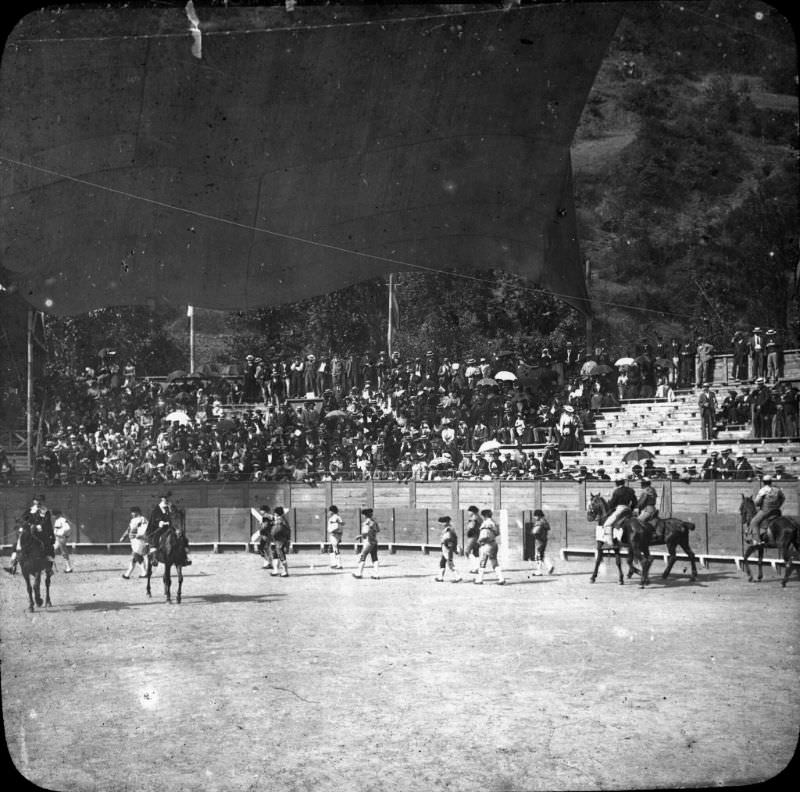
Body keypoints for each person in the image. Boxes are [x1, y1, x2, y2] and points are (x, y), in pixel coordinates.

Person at [146, 492, 190, 567]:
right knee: (156, 536)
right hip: (161, 527)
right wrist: (160, 522)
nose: (165, 499)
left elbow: (176, 515)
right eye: (164, 498)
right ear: (161, 499)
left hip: (171, 527)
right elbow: (154, 519)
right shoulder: (157, 508)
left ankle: (184, 557)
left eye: (166, 497)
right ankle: (154, 557)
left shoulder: (171, 506)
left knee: (182, 537)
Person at [748, 475, 785, 546]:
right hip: (776, 511)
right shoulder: (777, 490)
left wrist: (760, 504)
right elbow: (783, 498)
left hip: (765, 511)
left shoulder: (763, 490)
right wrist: (778, 505)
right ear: (771, 481)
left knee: (754, 522)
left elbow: (757, 503)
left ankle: (757, 541)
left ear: (763, 482)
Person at [601, 477, 637, 542]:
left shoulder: (617, 491)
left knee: (607, 524)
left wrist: (610, 508)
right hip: (628, 510)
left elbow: (612, 504)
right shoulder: (630, 490)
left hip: (620, 509)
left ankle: (609, 543)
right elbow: (635, 502)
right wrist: (631, 509)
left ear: (617, 483)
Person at [474, 509, 505, 585]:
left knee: (482, 562)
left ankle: (479, 579)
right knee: (494, 561)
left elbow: (485, 535)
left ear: (485, 516)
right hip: (493, 543)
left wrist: (479, 541)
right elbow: (497, 533)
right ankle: (501, 579)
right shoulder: (494, 522)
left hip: (486, 544)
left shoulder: (486, 523)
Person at [120, 506, 150, 579]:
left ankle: (144, 572)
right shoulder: (133, 520)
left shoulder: (142, 519)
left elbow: (146, 528)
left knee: (136, 555)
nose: (131, 513)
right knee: (135, 557)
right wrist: (124, 536)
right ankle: (127, 574)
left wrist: (140, 535)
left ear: (137, 512)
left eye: (133, 512)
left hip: (139, 540)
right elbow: (129, 529)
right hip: (133, 541)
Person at [353, 508, 380, 579]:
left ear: (365, 515)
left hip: (368, 542)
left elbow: (366, 532)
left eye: (364, 515)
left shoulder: (367, 522)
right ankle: (376, 574)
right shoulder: (374, 522)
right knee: (374, 557)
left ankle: (359, 573)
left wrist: (360, 536)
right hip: (374, 541)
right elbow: (378, 530)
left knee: (362, 555)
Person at [434, 516, 461, 582]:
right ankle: (440, 577)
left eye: (441, 523)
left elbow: (449, 540)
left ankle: (458, 577)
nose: (440, 524)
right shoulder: (449, 529)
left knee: (450, 563)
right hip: (446, 547)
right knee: (442, 562)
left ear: (445, 523)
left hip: (447, 548)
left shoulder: (448, 530)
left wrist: (451, 549)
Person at [529, 509, 554, 576]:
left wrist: (533, 532)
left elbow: (535, 531)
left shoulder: (539, 522)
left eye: (535, 516)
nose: (534, 517)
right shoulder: (545, 522)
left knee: (538, 556)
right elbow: (548, 528)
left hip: (539, 541)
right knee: (542, 555)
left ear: (538, 516)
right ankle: (549, 566)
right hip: (544, 540)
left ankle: (539, 571)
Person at [269, 506, 291, 577]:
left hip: (279, 540)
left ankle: (285, 571)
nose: (274, 515)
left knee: (280, 555)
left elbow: (275, 532)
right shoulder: (282, 520)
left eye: (275, 514)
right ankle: (276, 570)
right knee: (276, 555)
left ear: (277, 514)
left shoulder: (280, 521)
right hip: (279, 540)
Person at [51, 509, 74, 573]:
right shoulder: (58, 520)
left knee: (63, 552)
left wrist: (61, 534)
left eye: (54, 515)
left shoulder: (62, 520)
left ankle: (69, 568)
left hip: (61, 538)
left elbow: (67, 528)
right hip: (57, 538)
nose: (53, 516)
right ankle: (49, 568)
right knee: (52, 551)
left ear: (57, 514)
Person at [463, 505, 482, 573]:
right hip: (477, 536)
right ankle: (477, 567)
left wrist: (467, 531)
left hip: (473, 536)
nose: (468, 513)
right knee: (475, 552)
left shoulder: (474, 518)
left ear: (472, 512)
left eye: (469, 511)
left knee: (467, 551)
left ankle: (475, 567)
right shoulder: (478, 517)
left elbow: (472, 526)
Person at [327, 504, 344, 569]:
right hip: (337, 534)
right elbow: (341, 525)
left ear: (332, 511)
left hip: (334, 535)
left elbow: (336, 526)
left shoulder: (334, 517)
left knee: (335, 549)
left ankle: (339, 564)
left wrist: (332, 531)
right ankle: (334, 563)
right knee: (331, 548)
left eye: (330, 511)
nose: (329, 512)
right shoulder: (338, 517)